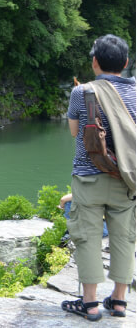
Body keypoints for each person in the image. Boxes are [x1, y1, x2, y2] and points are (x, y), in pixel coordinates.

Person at [61, 35, 135, 321]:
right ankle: (119, 301)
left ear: (94, 62)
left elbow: (73, 131)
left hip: (88, 178)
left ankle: (90, 304)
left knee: (87, 237)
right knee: (125, 238)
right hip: (126, 179)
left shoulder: (83, 92)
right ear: (126, 63)